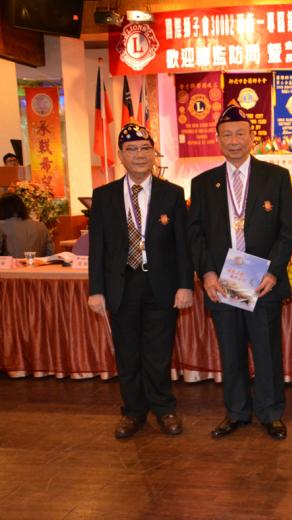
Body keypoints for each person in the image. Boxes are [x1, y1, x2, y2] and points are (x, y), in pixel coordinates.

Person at [187, 105, 292, 440]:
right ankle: (236, 412)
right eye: (227, 135)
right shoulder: (203, 183)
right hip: (222, 281)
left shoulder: (276, 177)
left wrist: (273, 272)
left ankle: (270, 413)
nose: (234, 141)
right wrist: (206, 273)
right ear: (218, 140)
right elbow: (195, 234)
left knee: (266, 350)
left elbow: (286, 231)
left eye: (240, 134)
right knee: (230, 350)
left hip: (261, 280)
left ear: (252, 137)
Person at [87, 123, 193, 439]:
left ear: (153, 153)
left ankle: (164, 409)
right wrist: (96, 290)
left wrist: (185, 285)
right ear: (121, 155)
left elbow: (183, 245)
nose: (139, 155)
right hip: (122, 285)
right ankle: (133, 412)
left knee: (158, 353)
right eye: (131, 149)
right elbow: (97, 249)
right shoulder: (104, 196)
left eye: (145, 148)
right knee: (127, 353)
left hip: (161, 285)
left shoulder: (172, 194)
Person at [0, 193, 53, 258]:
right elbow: (50, 253)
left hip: (10, 264)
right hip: (37, 264)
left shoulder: (1, 226)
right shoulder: (41, 226)